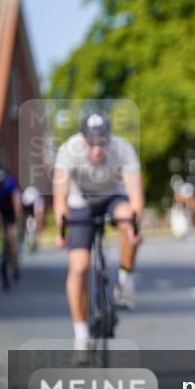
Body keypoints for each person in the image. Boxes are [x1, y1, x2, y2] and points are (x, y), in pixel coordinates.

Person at [53, 113, 144, 345]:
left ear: (109, 139)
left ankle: (125, 280)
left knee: (127, 220)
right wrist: (61, 231)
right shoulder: (68, 150)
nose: (96, 150)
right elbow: (60, 198)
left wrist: (134, 227)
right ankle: (81, 336)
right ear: (82, 140)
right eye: (90, 144)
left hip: (113, 195)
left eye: (102, 142)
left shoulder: (123, 149)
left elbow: (135, 195)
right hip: (81, 202)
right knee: (79, 266)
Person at [0, 164, 23, 280]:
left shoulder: (10, 184)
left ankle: (16, 266)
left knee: (12, 238)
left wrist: (17, 217)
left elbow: (16, 200)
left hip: (10, 211)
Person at [20, 184, 45, 252]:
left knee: (36, 223)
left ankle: (33, 242)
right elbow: (22, 212)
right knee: (28, 224)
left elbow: (39, 211)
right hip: (27, 205)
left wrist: (39, 222)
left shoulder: (37, 199)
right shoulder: (24, 198)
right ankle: (28, 241)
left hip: (34, 204)